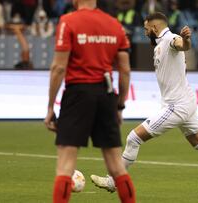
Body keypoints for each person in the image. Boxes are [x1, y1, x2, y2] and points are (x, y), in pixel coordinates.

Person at [90, 12, 198, 193]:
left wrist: (186, 40)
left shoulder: (170, 39)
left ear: (154, 27)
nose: (144, 33)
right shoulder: (159, 44)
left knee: (133, 138)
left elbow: (182, 45)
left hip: (176, 106)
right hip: (185, 101)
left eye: (146, 29)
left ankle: (113, 182)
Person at [44, 0, 136, 202]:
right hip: (106, 94)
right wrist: (119, 105)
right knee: (116, 166)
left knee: (65, 164)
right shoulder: (114, 24)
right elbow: (125, 71)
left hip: (78, 93)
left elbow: (58, 68)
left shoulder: (68, 22)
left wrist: (50, 107)